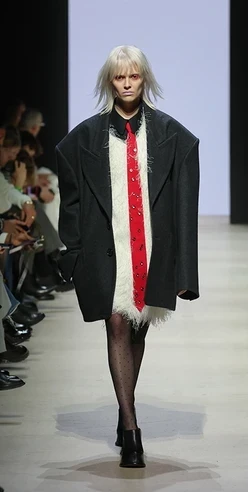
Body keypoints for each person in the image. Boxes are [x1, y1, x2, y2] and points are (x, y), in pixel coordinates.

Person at [55, 45, 200, 468]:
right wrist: (73, 252)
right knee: (117, 323)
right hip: (108, 246)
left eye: (134, 76)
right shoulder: (83, 139)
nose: (127, 84)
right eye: (119, 77)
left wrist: (185, 271)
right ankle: (133, 430)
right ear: (110, 82)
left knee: (138, 331)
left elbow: (185, 209)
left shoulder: (174, 136)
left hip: (152, 248)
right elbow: (71, 201)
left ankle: (124, 411)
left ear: (144, 79)